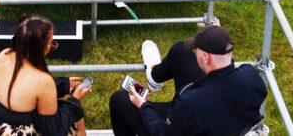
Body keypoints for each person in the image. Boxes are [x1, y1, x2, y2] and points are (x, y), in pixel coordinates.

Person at [114, 25, 267, 136]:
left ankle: (153, 77)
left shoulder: (190, 102)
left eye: (196, 51)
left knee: (119, 99)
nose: (193, 52)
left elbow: (162, 133)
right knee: (182, 51)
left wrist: (143, 105)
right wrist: (217, 37)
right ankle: (154, 75)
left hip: (185, 125)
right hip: (219, 123)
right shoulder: (251, 77)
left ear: (206, 58)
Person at [0, 9, 90, 136]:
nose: (51, 47)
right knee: (76, 120)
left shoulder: (4, 54)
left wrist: (64, 84)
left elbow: (23, 87)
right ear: (41, 48)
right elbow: (54, 131)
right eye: (50, 43)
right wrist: (75, 101)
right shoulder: (43, 81)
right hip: (14, 132)